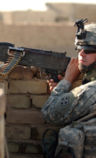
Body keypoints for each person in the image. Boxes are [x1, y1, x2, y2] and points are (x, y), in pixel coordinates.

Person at [41, 19, 96, 158]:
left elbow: (50, 113)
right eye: (79, 49)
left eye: (89, 50)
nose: (82, 54)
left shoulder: (90, 91)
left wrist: (66, 81)